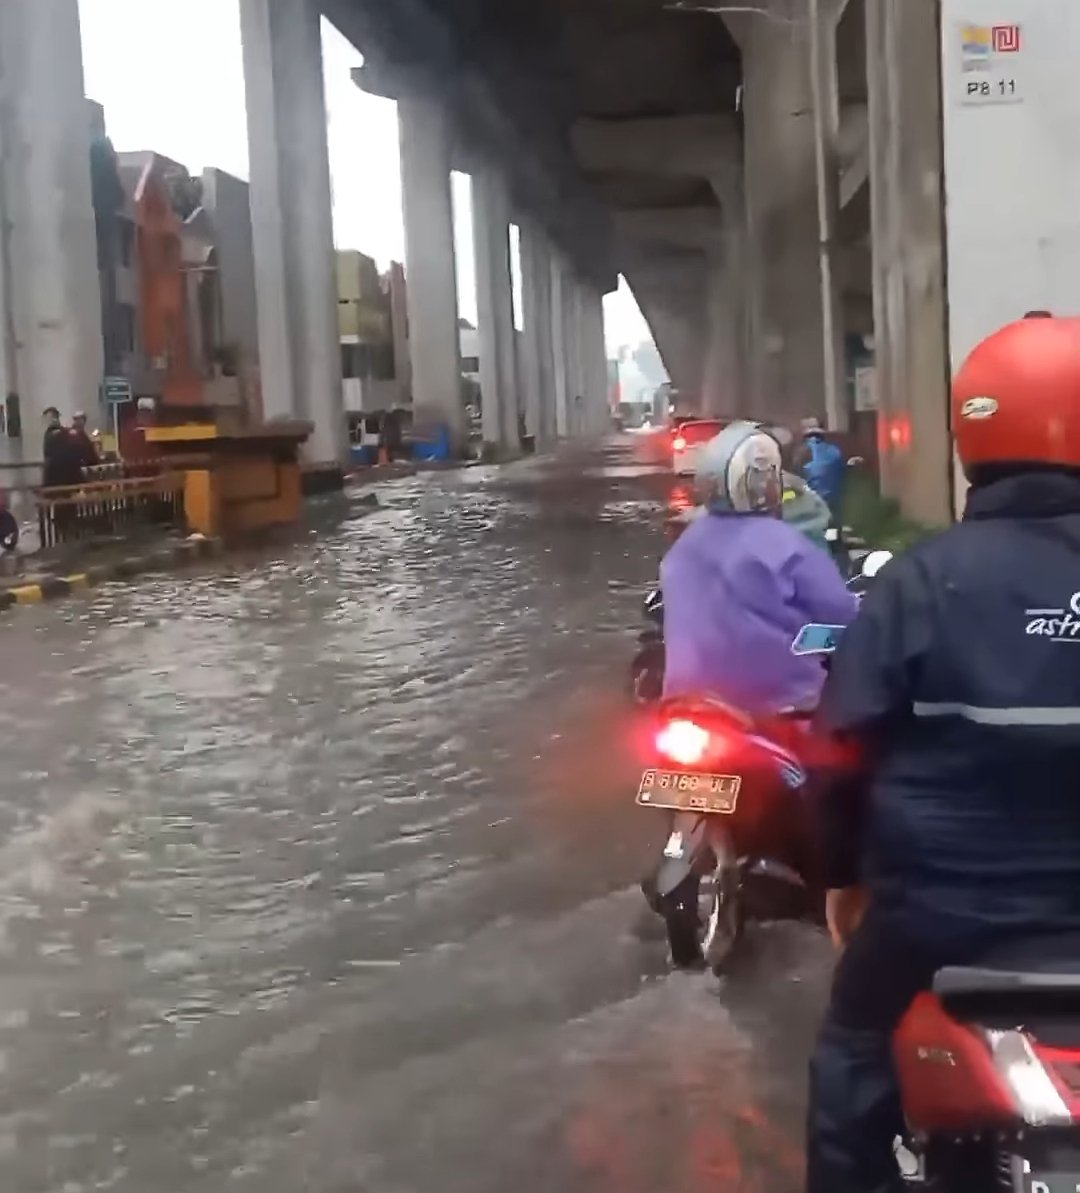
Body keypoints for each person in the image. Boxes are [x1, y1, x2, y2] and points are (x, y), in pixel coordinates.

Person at [805, 313, 1080, 1193]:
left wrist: (843, 879)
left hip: (939, 916)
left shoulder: (917, 582)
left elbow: (837, 761)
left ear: (972, 437)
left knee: (852, 1053)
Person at [661, 420, 856, 716]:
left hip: (687, 704)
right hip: (783, 705)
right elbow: (840, 614)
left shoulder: (684, 546)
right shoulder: (786, 545)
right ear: (767, 479)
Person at [800, 417, 846, 519]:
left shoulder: (802, 451)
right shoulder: (834, 449)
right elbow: (842, 469)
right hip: (833, 497)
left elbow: (794, 472)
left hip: (811, 498)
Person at [41, 407, 83, 489]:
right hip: (71, 476)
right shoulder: (67, 432)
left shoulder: (49, 435)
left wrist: (45, 480)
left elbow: (48, 457)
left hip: (55, 477)